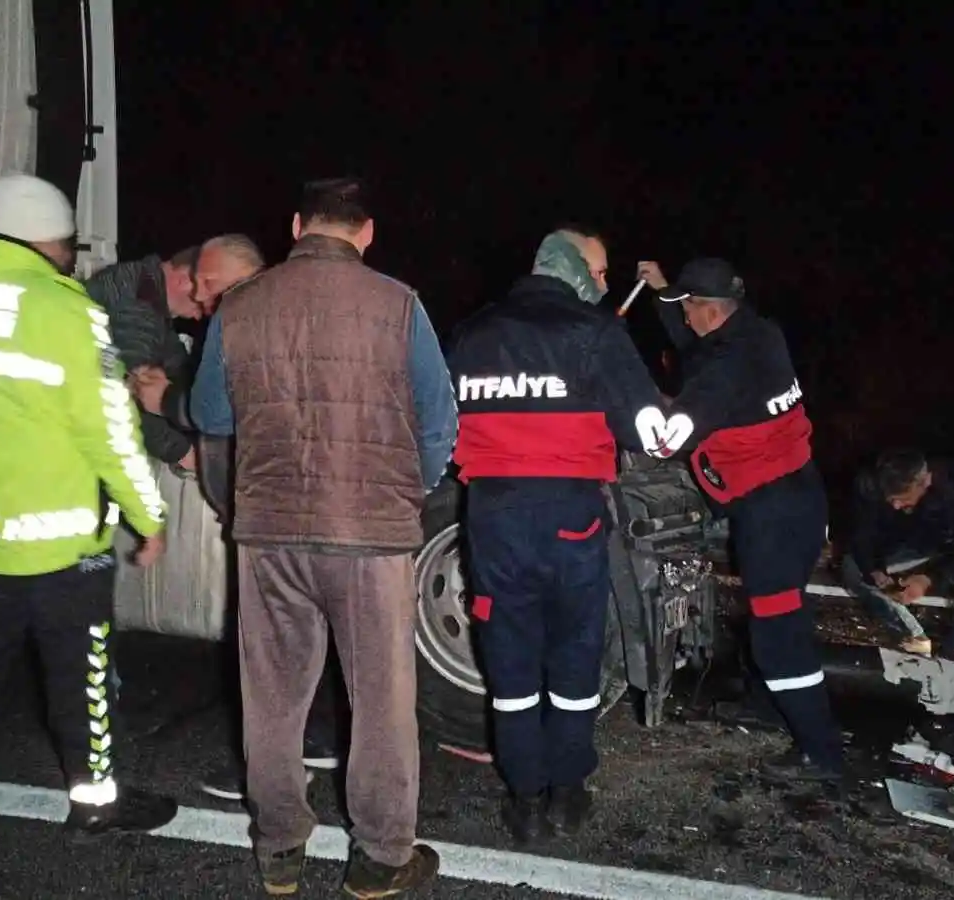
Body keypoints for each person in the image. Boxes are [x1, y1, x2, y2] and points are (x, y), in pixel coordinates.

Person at [0, 173, 179, 863]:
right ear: (53, 240)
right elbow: (108, 429)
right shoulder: (66, 311)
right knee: (80, 676)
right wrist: (149, 513)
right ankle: (95, 804)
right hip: (59, 544)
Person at [191, 177, 454, 897]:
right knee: (380, 698)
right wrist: (409, 493)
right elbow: (437, 421)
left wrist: (232, 499)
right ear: (366, 233)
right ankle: (380, 857)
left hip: (269, 530)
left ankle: (278, 849)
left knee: (272, 696)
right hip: (370, 535)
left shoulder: (241, 305)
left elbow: (211, 416)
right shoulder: (399, 304)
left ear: (298, 224)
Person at [446, 227, 669, 845]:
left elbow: (435, 425)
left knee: (510, 660)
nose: (604, 285)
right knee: (574, 655)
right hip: (572, 516)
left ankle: (525, 798)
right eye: (599, 272)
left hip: (492, 518)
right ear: (571, 270)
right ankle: (568, 791)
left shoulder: (470, 333)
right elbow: (647, 433)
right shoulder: (597, 334)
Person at [636, 256, 844, 785]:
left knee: (779, 630)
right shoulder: (757, 333)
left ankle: (818, 750)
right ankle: (771, 704)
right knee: (776, 615)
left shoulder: (725, 367)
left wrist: (633, 406)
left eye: (687, 310)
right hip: (799, 496)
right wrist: (663, 293)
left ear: (707, 310)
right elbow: (698, 351)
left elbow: (673, 429)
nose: (684, 320)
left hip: (770, 511)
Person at [185, 235, 347, 804]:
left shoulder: (239, 320)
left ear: (239, 279)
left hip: (265, 511)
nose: (196, 294)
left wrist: (162, 403)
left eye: (208, 284)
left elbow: (209, 413)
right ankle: (322, 738)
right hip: (334, 507)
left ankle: (273, 788)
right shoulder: (321, 313)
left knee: (267, 652)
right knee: (323, 634)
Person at [841, 449, 954, 665]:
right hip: (921, 540)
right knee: (853, 567)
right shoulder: (870, 485)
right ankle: (913, 636)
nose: (895, 505)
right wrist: (875, 569)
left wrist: (929, 579)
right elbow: (862, 534)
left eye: (902, 497)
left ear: (926, 481)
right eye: (891, 498)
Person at [85, 246, 201, 470]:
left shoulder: (147, 291)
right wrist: (188, 456)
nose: (198, 316)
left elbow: (177, 364)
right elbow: (133, 391)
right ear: (185, 281)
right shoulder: (136, 300)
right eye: (202, 302)